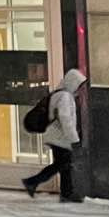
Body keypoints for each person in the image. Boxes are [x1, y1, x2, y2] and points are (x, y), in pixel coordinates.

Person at [24, 67, 87, 202]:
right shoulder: (65, 96)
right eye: (79, 85)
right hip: (58, 137)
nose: (80, 88)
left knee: (64, 164)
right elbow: (66, 119)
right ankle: (32, 182)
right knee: (62, 164)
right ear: (72, 82)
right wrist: (74, 139)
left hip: (58, 136)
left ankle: (66, 193)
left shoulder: (62, 94)